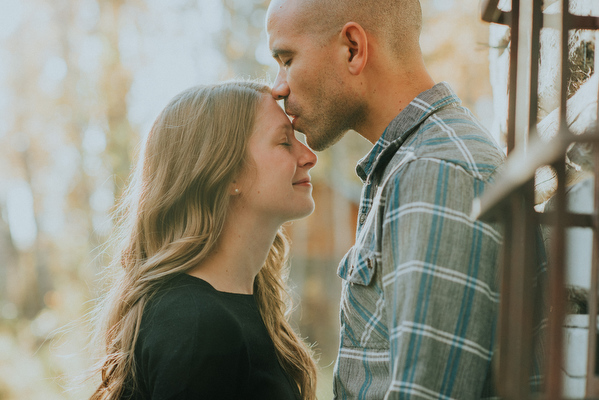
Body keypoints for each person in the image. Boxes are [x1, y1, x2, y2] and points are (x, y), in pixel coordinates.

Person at [266, 0, 519, 398]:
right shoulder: (412, 165)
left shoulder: (435, 171)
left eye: (286, 59)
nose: (278, 86)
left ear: (353, 48)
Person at [89, 81, 318, 400]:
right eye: (284, 142)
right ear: (227, 173)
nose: (309, 156)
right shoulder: (197, 323)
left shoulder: (240, 308)